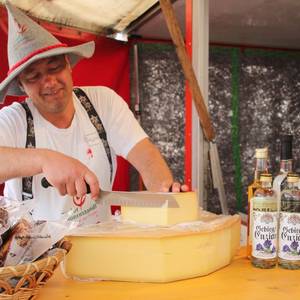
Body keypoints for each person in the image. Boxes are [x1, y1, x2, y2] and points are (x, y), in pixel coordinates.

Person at [0, 2, 188, 221]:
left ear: (69, 64)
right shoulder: (14, 120)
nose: (49, 82)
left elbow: (145, 156)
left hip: (99, 242)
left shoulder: (102, 102)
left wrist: (163, 193)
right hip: (36, 253)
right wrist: (44, 159)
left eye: (54, 68)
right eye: (34, 77)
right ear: (22, 86)